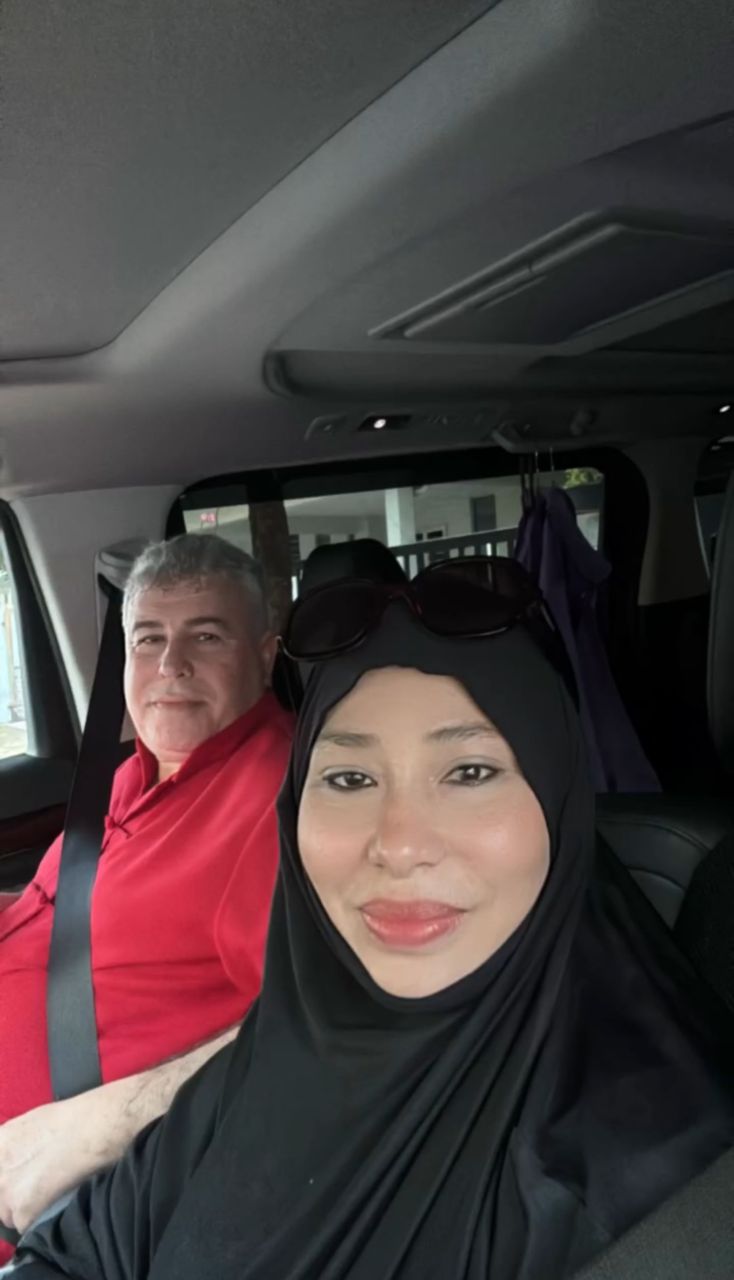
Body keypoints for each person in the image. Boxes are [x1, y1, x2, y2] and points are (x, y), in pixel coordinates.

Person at [12, 558, 734, 1279]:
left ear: (559, 803)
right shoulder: (285, 1051)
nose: (399, 843)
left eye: (470, 772)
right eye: (350, 778)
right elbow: (81, 1247)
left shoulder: (652, 1200)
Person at [0, 534, 292, 1254]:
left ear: (265, 655)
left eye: (207, 636)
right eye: (149, 638)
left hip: (50, 1209)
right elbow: (55, 916)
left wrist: (93, 1126)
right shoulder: (133, 773)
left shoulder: (277, 803)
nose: (171, 664)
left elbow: (313, 1031)